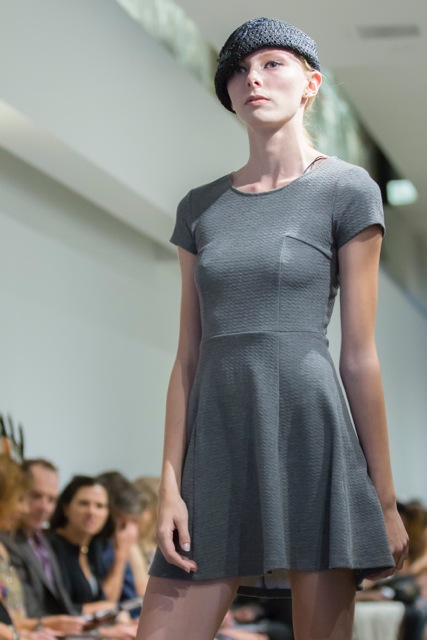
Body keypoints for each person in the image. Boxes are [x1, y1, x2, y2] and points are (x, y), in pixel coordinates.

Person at [136, 17, 409, 640]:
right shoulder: (200, 208)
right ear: (229, 94)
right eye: (237, 70)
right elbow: (187, 358)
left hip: (311, 434)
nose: (252, 78)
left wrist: (383, 500)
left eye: (271, 64)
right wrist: (169, 487)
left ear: (311, 83)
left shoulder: (346, 189)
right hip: (217, 441)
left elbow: (359, 355)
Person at [0, 459, 83, 629]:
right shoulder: (8, 541)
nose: (44, 507)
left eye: (51, 499)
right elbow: (24, 615)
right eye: (35, 496)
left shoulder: (43, 540)